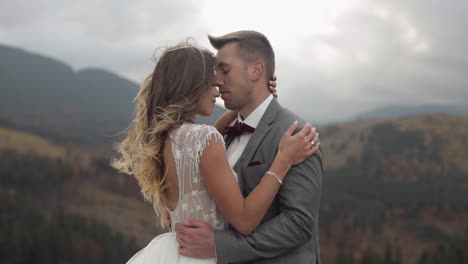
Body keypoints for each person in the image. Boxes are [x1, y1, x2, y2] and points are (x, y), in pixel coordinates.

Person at [111, 41, 320, 264]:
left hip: (173, 253)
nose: (217, 90)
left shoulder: (165, 139)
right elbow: (245, 221)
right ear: (192, 87)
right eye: (211, 83)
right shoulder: (204, 139)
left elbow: (210, 138)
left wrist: (256, 98)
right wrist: (283, 161)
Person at [175, 31, 324, 264]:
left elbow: (299, 224)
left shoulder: (295, 135)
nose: (216, 80)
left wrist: (220, 246)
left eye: (224, 70)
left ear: (256, 70)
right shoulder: (220, 135)